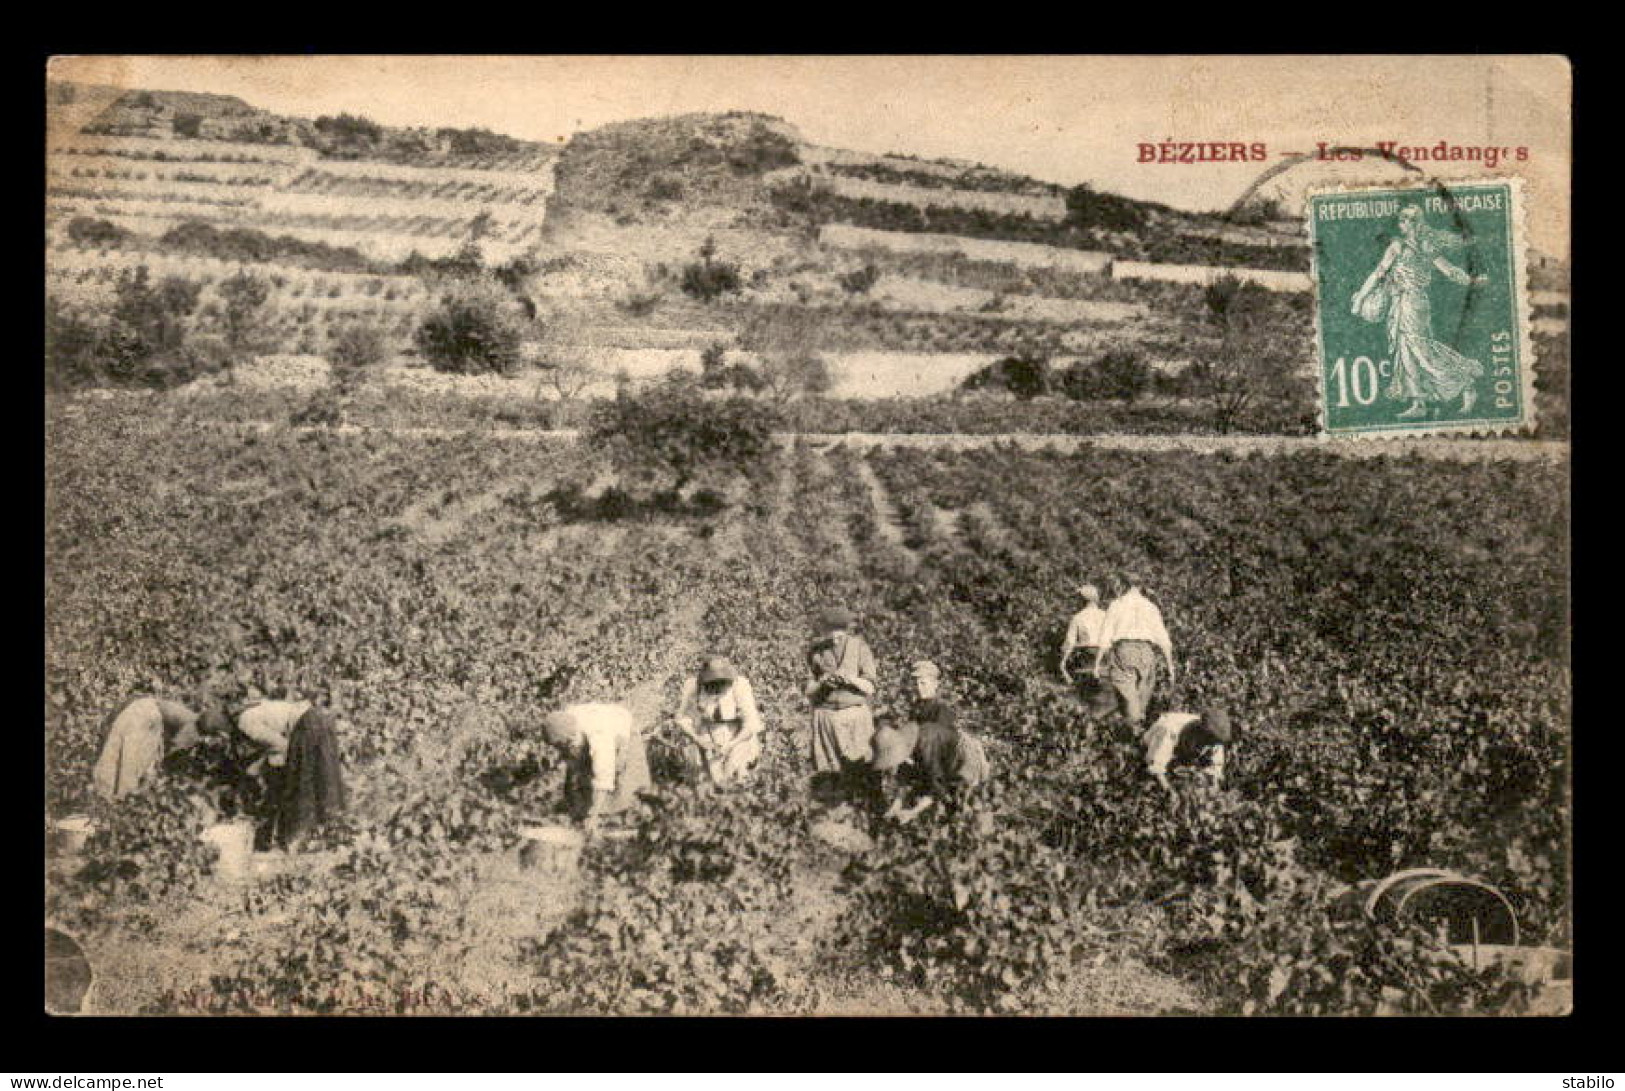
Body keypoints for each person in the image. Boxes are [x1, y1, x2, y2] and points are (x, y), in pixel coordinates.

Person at [1352, 204, 1489, 420]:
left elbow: (1448, 271)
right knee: (1408, 351)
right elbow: (1449, 272)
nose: (1402, 225)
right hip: (1404, 303)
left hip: (1412, 303)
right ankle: (1419, 402)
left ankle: (1465, 381)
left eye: (1405, 221)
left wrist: (1360, 298)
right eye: (1402, 221)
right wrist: (1473, 281)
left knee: (1419, 350)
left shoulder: (1408, 246)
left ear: (1414, 223)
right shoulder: (1415, 246)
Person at [873, 660, 989, 822]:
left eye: (923, 683)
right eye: (916, 683)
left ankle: (945, 811)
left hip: (956, 764)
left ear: (935, 684)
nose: (919, 687)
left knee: (952, 802)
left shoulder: (942, 712)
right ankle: (899, 804)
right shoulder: (918, 709)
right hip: (932, 759)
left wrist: (913, 812)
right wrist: (897, 803)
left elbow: (936, 768)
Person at [805, 606, 879, 806]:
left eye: (839, 632)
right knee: (830, 772)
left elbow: (870, 687)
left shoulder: (860, 648)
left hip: (854, 716)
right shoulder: (816, 652)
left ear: (847, 629)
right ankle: (834, 811)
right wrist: (823, 683)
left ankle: (861, 809)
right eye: (830, 632)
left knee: (860, 766)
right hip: (826, 717)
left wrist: (850, 680)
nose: (835, 637)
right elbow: (808, 689)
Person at [544, 702, 653, 832]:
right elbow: (573, 766)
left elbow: (604, 775)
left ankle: (630, 822)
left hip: (621, 730)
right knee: (581, 776)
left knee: (624, 781)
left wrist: (594, 816)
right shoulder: (564, 722)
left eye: (566, 744)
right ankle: (584, 813)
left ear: (572, 738)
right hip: (591, 729)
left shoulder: (599, 737)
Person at [1093, 574, 1175, 731]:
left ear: (1123, 585)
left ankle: (1132, 731)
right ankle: (1139, 731)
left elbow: (1104, 637)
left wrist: (1097, 663)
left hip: (1124, 651)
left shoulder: (1116, 605)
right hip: (1147, 652)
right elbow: (1164, 639)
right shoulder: (1151, 607)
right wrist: (1170, 665)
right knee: (1140, 697)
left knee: (1129, 699)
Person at [92, 694, 206, 801]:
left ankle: (111, 797)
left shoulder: (188, 720)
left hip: (139, 708)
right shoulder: (193, 728)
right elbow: (171, 747)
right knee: (130, 768)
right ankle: (120, 799)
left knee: (120, 761)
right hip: (147, 716)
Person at [673, 655, 765, 786]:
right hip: (708, 731)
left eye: (722, 682)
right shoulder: (693, 687)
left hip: (739, 734)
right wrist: (697, 739)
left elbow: (751, 723)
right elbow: (682, 718)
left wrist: (732, 744)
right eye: (712, 683)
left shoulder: (740, 686)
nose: (717, 687)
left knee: (737, 772)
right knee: (715, 780)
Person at [274, 705, 347, 849]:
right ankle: (326, 829)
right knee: (326, 776)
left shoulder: (247, 722)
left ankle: (301, 835)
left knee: (302, 782)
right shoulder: (320, 716)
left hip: (307, 724)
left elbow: (279, 744)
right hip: (314, 721)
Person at [1142, 708, 1231, 792]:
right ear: (1199, 731)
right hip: (1151, 752)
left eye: (1211, 743)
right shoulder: (1170, 728)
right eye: (1206, 740)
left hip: (1181, 756)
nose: (1208, 744)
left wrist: (1212, 785)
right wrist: (1169, 790)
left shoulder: (1214, 737)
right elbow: (1156, 766)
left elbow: (1215, 768)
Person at [1059, 583, 1107, 692]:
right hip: (1106, 661)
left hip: (1086, 661)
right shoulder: (1106, 615)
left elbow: (1069, 643)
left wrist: (1062, 663)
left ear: (1082, 600)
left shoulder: (1077, 618)